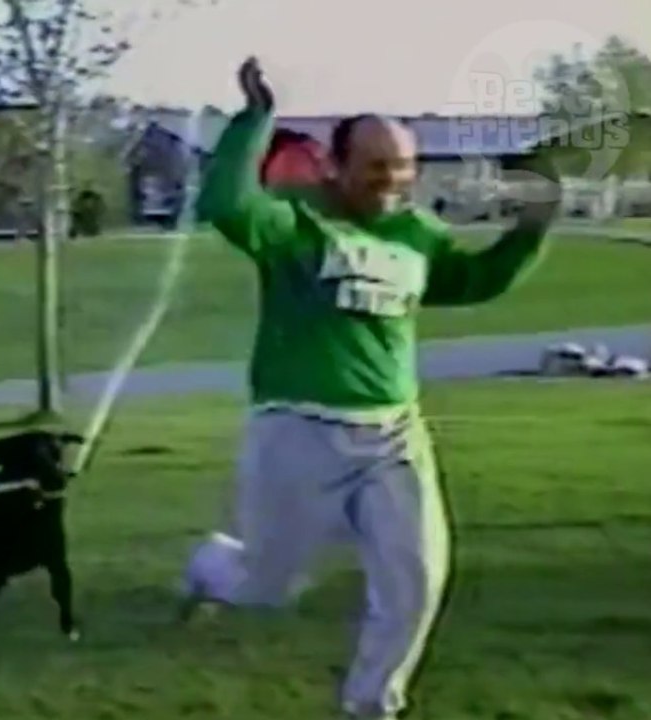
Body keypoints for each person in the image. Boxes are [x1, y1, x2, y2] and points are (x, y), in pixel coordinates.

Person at [178, 57, 559, 720]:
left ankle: (370, 704)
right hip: (296, 430)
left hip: (392, 433)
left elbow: (473, 283)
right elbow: (224, 204)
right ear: (336, 165)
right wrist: (254, 118)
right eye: (376, 167)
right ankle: (214, 565)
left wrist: (530, 227)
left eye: (402, 167)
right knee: (266, 588)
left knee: (417, 577)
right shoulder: (295, 225)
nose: (392, 181)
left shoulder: (417, 234)